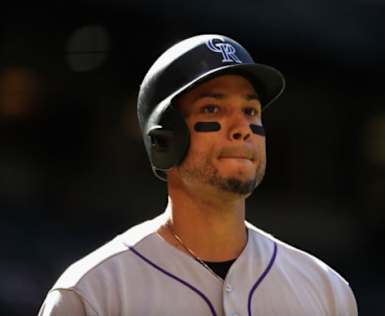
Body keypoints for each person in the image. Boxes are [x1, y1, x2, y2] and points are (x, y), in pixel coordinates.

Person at [38, 34, 358, 316]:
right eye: (212, 109)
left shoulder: (327, 291)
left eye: (250, 111)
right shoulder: (94, 293)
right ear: (164, 139)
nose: (242, 129)